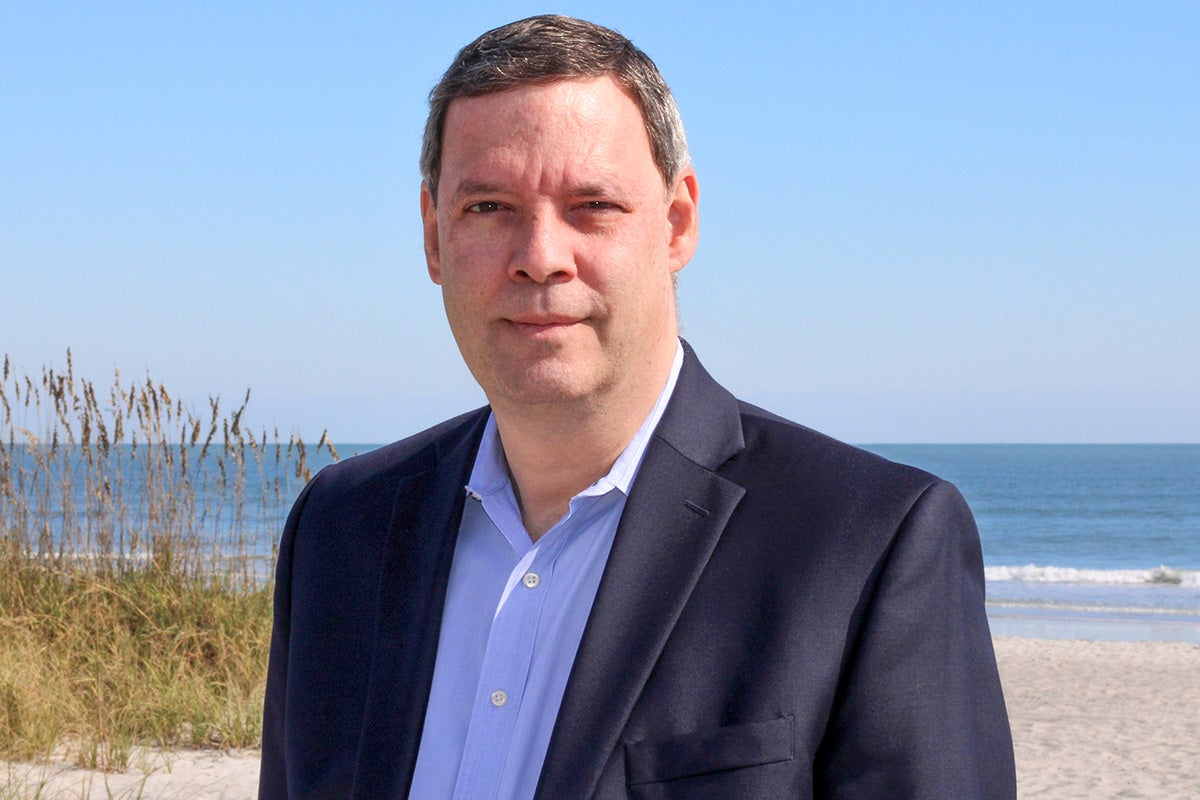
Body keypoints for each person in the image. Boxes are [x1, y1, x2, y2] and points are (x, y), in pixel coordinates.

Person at [259, 14, 1016, 800]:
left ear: (677, 223)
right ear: (433, 236)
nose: (540, 257)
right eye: (488, 207)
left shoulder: (871, 545)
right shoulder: (340, 531)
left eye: (592, 205)